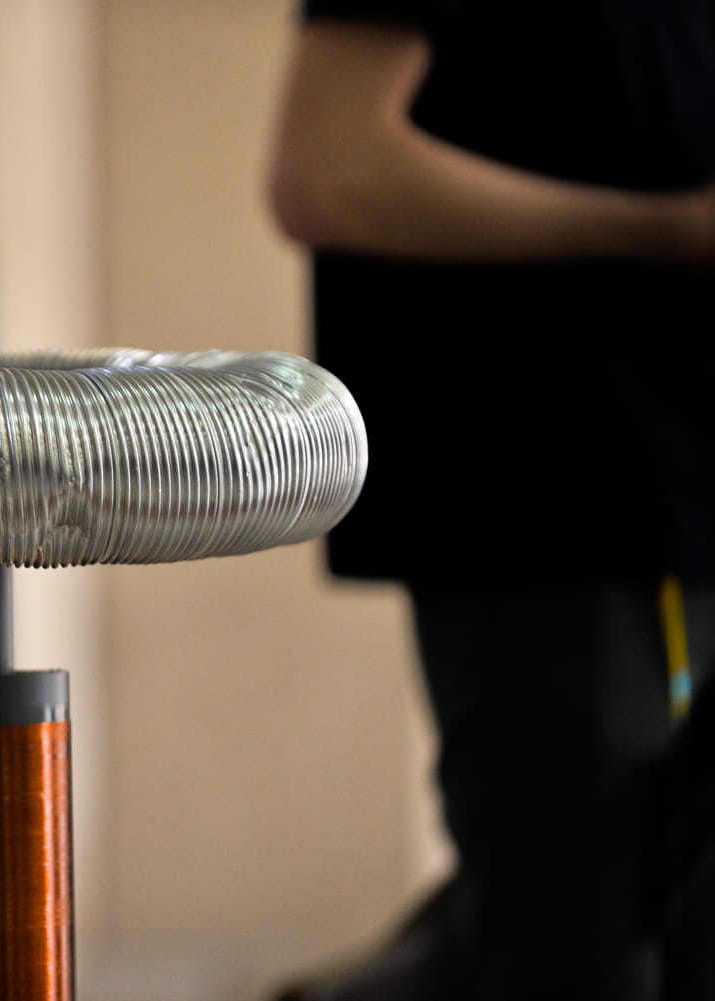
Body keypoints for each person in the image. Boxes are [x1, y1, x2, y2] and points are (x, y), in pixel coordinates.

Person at [263, 2, 715, 999]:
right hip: (544, 508)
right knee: (575, 935)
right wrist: (662, 229)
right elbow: (329, 171)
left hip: (677, 489)